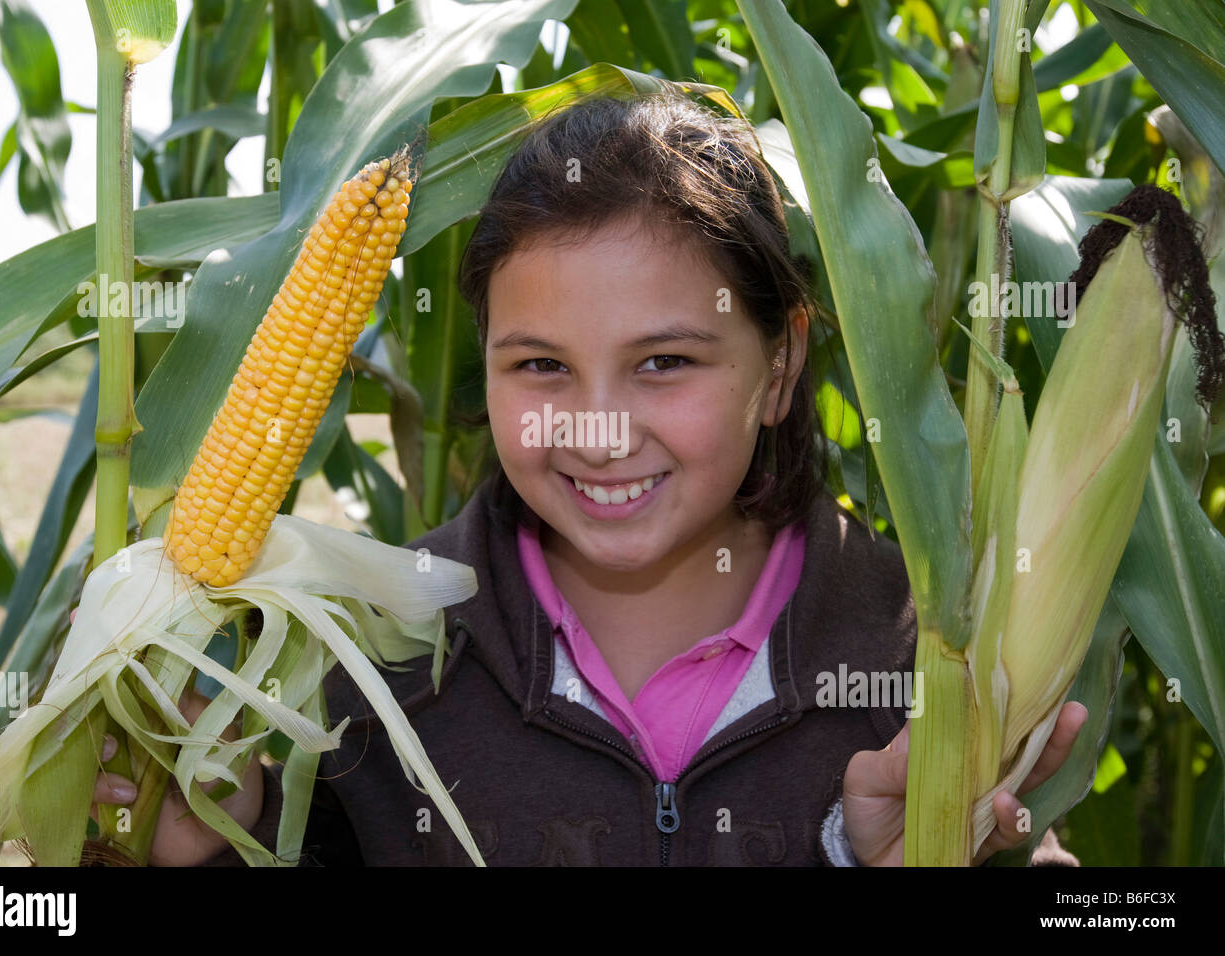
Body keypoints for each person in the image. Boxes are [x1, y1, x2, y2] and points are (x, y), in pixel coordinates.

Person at [93, 92, 1086, 866]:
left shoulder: (929, 656)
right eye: (539, 366)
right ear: (479, 364)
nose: (598, 429)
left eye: (663, 363)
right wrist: (233, 834)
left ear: (778, 367)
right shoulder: (371, 658)